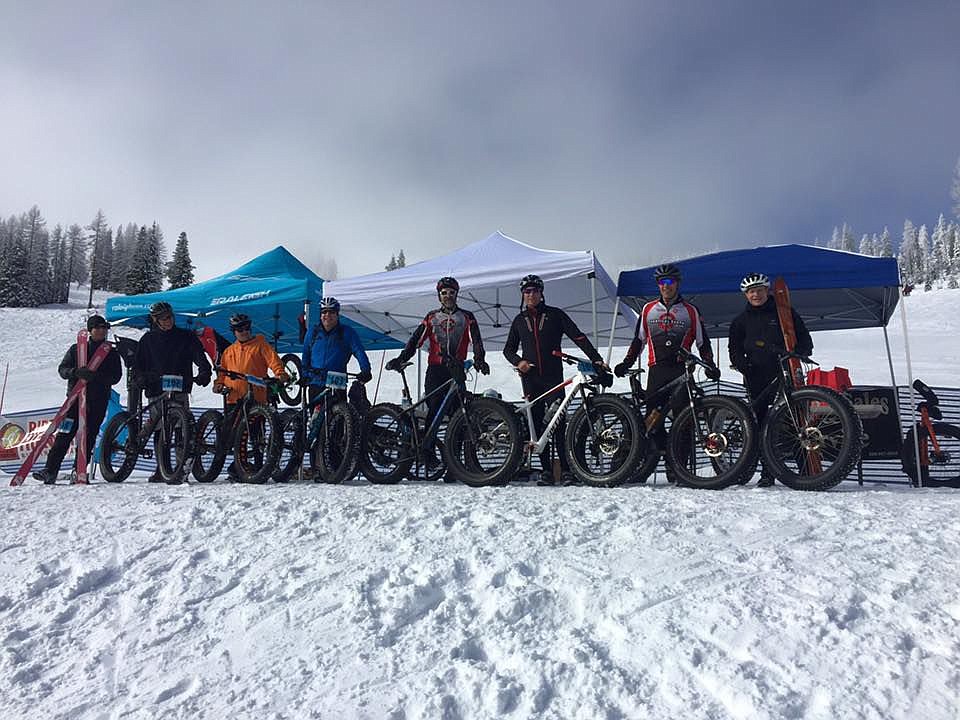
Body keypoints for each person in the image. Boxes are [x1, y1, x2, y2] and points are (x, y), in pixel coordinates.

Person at [613, 263, 719, 477]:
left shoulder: (690, 310)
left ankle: (678, 468)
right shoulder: (648, 309)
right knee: (653, 420)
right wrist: (627, 362)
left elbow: (702, 342)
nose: (666, 286)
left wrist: (710, 364)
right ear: (658, 285)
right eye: (662, 282)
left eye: (670, 282)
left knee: (684, 420)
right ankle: (665, 454)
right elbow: (638, 341)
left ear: (677, 284)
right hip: (657, 370)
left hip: (681, 370)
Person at [503, 273, 609, 485]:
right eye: (526, 292)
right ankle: (546, 472)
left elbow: (578, 337)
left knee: (558, 425)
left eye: (534, 291)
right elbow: (508, 349)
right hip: (531, 379)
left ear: (541, 293)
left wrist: (596, 359)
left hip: (553, 378)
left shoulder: (555, 314)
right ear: (523, 295)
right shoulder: (519, 320)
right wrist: (519, 362)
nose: (530, 295)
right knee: (538, 426)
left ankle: (567, 471)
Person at [728, 272, 813, 486]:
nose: (755, 294)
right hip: (756, 376)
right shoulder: (740, 321)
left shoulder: (785, 313)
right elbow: (734, 349)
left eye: (759, 290)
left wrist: (799, 353)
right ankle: (767, 473)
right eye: (750, 291)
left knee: (794, 421)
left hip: (786, 372)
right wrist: (743, 366)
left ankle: (805, 471)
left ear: (767, 291)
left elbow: (805, 339)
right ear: (745, 295)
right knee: (761, 424)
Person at [385, 277, 489, 449]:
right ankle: (428, 451)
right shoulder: (432, 317)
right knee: (434, 409)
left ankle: (453, 463)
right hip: (435, 370)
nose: (448, 296)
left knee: (458, 415)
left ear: (457, 295)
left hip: (456, 369)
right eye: (444, 293)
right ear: (439, 296)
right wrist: (402, 358)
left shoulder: (466, 317)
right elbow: (415, 340)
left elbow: (476, 340)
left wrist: (480, 359)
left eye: (451, 293)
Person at [32, 315, 123, 484]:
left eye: (104, 328)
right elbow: (62, 369)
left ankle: (79, 470)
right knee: (65, 434)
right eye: (98, 327)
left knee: (88, 436)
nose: (102, 331)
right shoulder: (76, 349)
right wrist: (75, 372)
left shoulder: (111, 353)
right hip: (74, 400)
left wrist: (96, 377)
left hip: (97, 400)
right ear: (90, 330)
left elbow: (115, 376)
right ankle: (50, 470)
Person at [133, 301, 213, 483]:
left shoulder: (186, 336)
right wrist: (141, 378)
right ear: (156, 320)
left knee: (180, 428)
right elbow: (138, 366)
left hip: (179, 388)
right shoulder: (147, 340)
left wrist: (204, 372)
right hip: (156, 389)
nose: (168, 321)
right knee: (159, 429)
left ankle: (179, 467)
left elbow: (200, 357)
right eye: (163, 318)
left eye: (170, 317)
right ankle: (161, 468)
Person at [214, 313, 290, 480]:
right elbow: (222, 372)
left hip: (256, 398)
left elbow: (273, 361)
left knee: (256, 437)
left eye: (247, 328)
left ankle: (256, 466)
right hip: (234, 398)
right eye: (240, 329)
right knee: (231, 433)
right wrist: (218, 384)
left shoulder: (260, 344)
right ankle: (233, 467)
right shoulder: (229, 351)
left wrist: (280, 373)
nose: (244, 331)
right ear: (234, 331)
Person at [302, 297, 372, 405]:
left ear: (337, 314)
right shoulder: (313, 332)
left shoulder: (347, 332)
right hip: (315, 380)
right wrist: (304, 374)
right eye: (324, 312)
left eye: (331, 312)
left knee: (339, 417)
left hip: (337, 380)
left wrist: (366, 370)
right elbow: (306, 354)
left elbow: (359, 352)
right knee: (316, 419)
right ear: (320, 315)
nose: (327, 315)